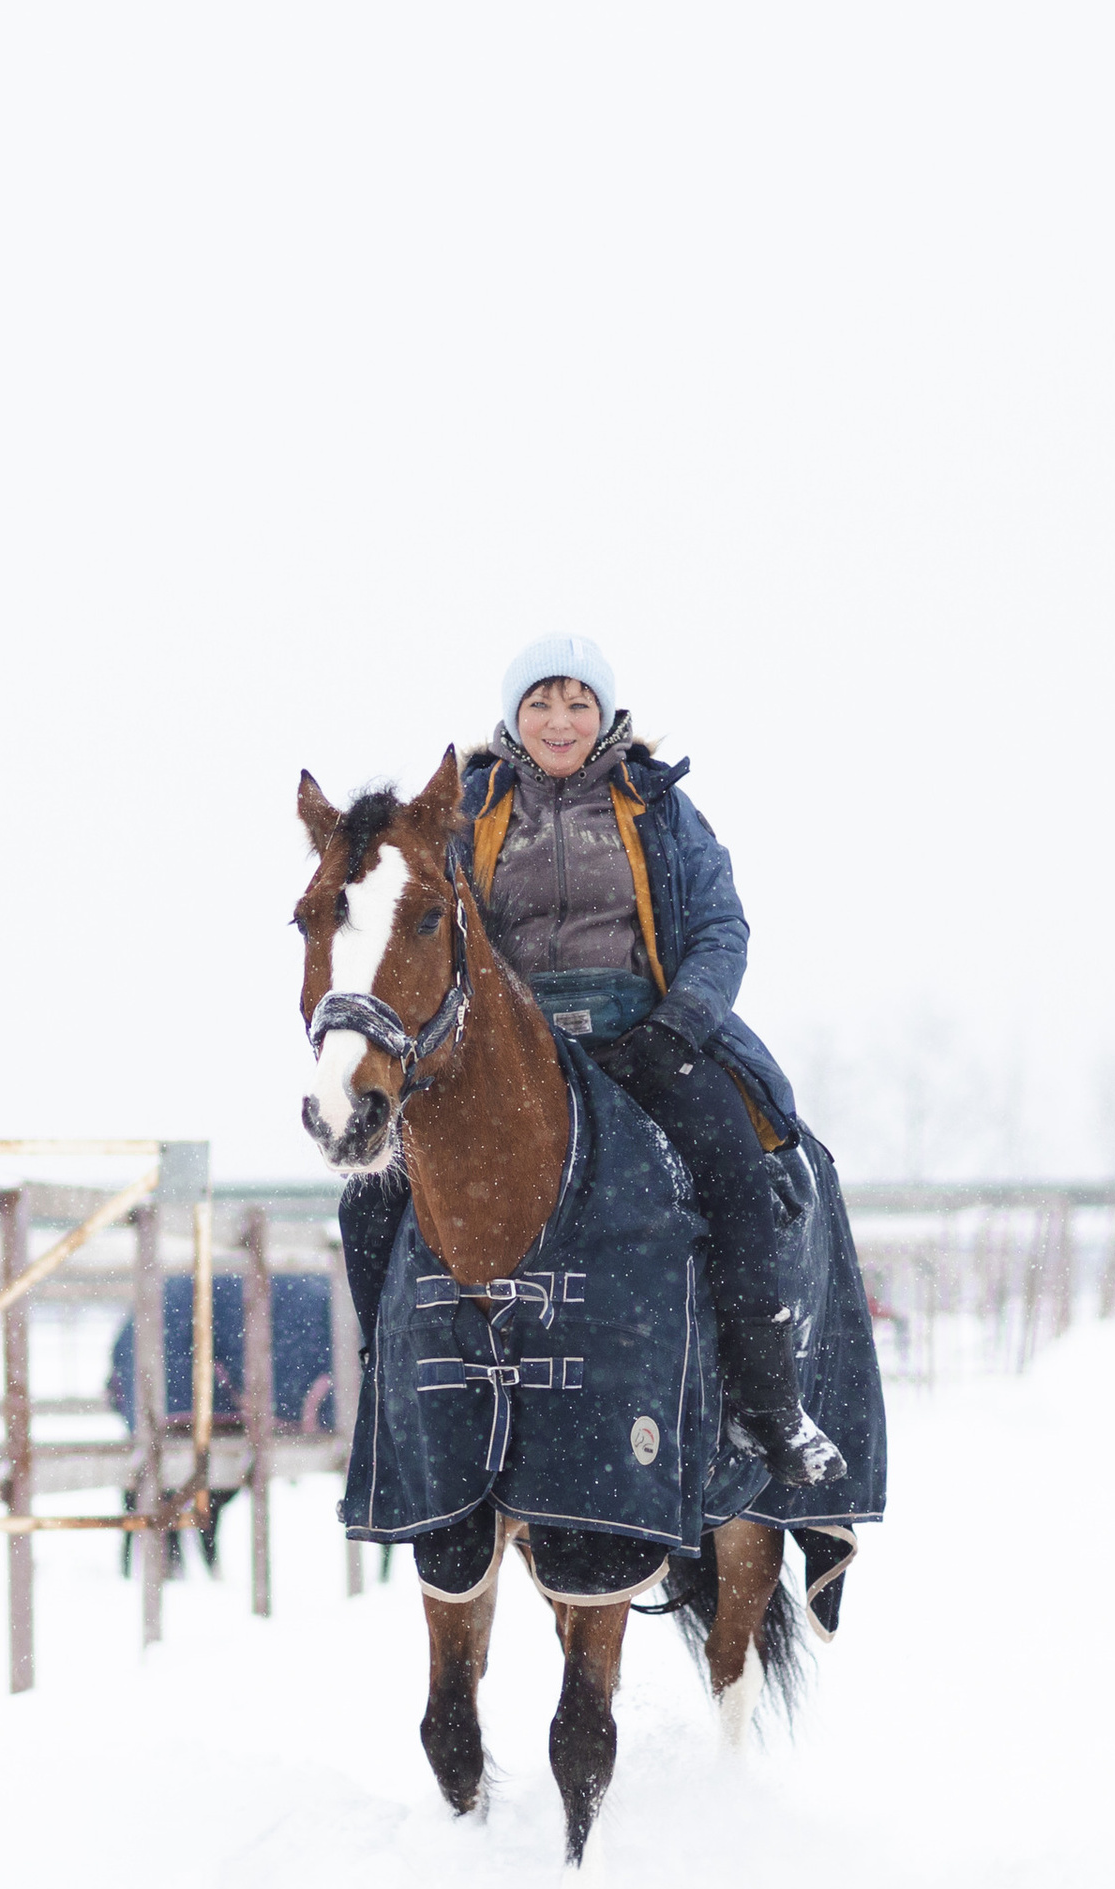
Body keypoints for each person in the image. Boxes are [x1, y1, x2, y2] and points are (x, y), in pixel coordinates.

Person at [340, 631, 839, 1487]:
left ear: (605, 713)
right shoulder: (468, 813)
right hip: (507, 1051)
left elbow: (721, 927)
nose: (560, 721)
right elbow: (427, 932)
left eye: (578, 702)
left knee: (736, 1164)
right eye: (540, 702)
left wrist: (680, 1023)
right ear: (514, 717)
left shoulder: (661, 806)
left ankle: (766, 1401)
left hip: (647, 1034)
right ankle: (387, 1385)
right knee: (373, 1192)